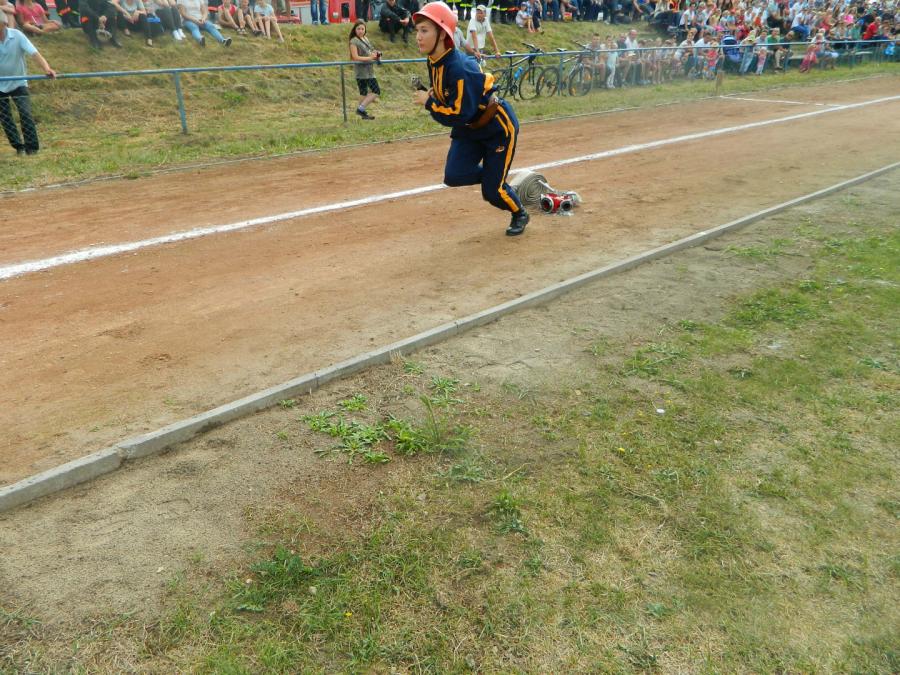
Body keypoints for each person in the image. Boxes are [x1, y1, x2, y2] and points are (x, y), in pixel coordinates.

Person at [412, 1, 530, 236]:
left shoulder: (459, 68)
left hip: (496, 127)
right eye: (417, 30)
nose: (418, 36)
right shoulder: (434, 60)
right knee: (454, 175)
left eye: (424, 30)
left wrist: (429, 103)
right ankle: (495, 178)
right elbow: (452, 98)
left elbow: (457, 114)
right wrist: (436, 95)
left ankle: (519, 213)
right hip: (470, 127)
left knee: (492, 192)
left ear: (442, 34)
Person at [0, 9, 55, 156]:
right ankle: (19, 147)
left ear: (4, 24)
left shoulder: (17, 36)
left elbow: (35, 54)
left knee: (25, 113)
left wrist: (47, 69)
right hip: (0, 85)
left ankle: (32, 148)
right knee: (5, 118)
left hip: (19, 82)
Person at [348, 18, 380, 119]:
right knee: (376, 91)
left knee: (364, 92)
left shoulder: (365, 38)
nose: (360, 31)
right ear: (355, 29)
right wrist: (370, 58)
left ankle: (362, 112)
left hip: (369, 70)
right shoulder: (353, 41)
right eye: (358, 29)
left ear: (365, 29)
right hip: (361, 71)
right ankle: (360, 109)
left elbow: (370, 50)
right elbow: (355, 57)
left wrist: (375, 54)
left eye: (362, 29)